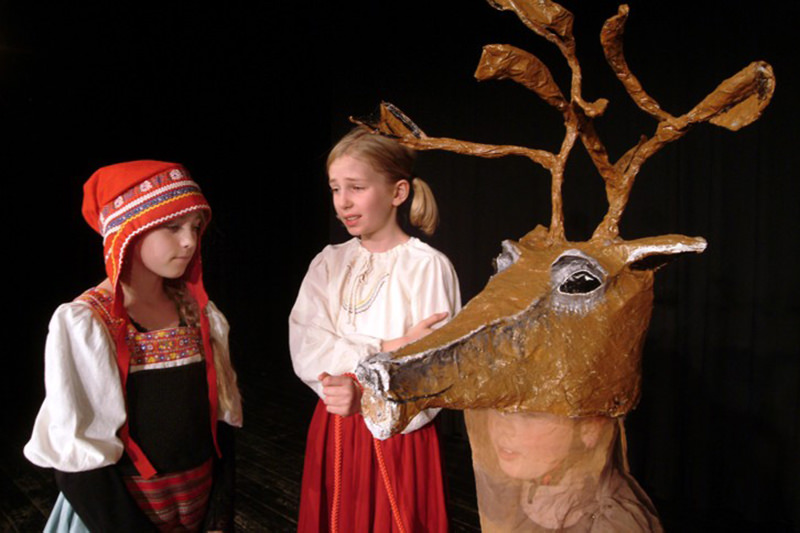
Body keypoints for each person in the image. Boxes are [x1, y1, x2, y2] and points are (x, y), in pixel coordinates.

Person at [24, 160, 243, 533]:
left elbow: (219, 419)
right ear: (128, 230)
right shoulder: (89, 323)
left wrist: (221, 505)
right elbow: (79, 461)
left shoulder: (198, 311)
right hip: (125, 513)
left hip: (196, 501)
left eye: (194, 227)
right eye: (172, 227)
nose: (189, 240)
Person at [289, 128, 461, 532]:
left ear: (398, 192)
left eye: (357, 187)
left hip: (398, 437)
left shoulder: (427, 267)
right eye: (335, 189)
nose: (342, 202)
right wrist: (389, 347)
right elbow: (306, 342)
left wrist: (363, 386)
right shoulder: (328, 263)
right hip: (335, 425)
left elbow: (437, 371)